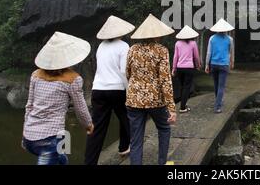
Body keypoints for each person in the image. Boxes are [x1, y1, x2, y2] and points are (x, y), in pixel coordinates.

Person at [22, 32, 94, 165]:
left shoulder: (35, 75)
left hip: (30, 136)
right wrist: (88, 125)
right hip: (48, 141)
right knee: (56, 148)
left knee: (63, 151)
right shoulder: (73, 79)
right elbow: (80, 108)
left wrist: (25, 134)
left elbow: (29, 106)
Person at [126, 14, 177, 165]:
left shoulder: (133, 49)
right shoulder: (161, 50)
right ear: (157, 35)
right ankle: (162, 162)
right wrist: (172, 108)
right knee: (164, 129)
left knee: (136, 139)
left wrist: (137, 88)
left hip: (134, 100)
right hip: (156, 100)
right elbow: (165, 80)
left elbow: (128, 73)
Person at [84, 15, 135, 165]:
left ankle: (89, 162)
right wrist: (129, 90)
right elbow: (123, 71)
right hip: (117, 89)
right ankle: (127, 147)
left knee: (97, 128)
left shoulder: (101, 46)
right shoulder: (124, 46)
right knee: (127, 118)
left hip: (98, 89)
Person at [205, 19, 235, 114]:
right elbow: (231, 52)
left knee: (216, 84)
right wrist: (232, 62)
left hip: (213, 64)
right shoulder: (230, 39)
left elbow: (209, 52)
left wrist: (206, 64)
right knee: (221, 86)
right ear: (226, 29)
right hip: (224, 64)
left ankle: (218, 101)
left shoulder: (212, 38)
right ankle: (217, 106)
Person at [172, 25, 201, 113]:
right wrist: (198, 65)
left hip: (179, 68)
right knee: (187, 87)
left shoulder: (177, 43)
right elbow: (196, 57)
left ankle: (183, 104)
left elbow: (175, 57)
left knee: (182, 86)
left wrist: (174, 68)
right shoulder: (193, 43)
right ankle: (182, 107)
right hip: (189, 68)